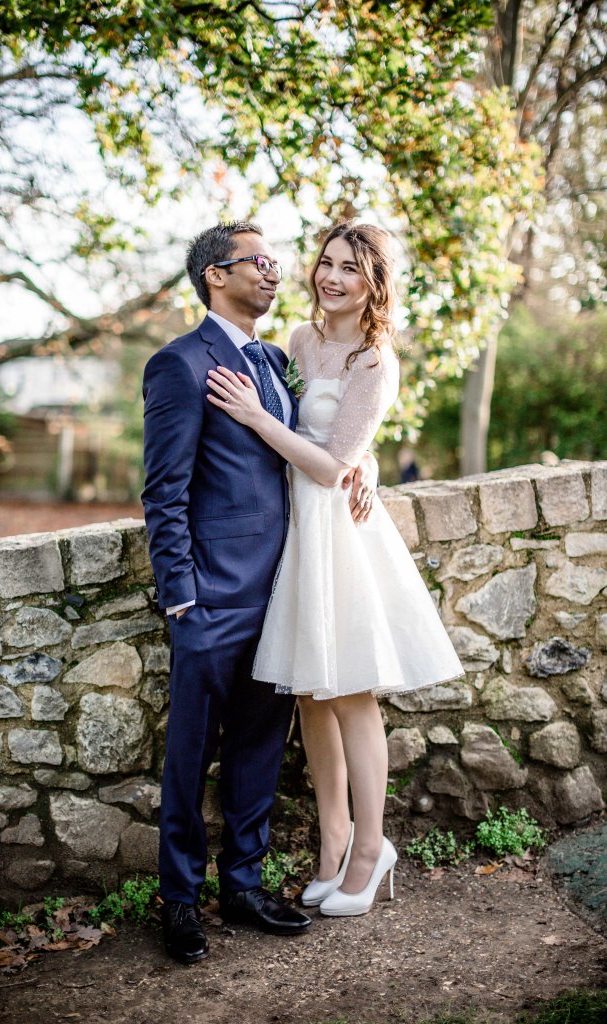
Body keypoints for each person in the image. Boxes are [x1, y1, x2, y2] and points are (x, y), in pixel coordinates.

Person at [206, 222, 464, 918]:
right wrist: (360, 458)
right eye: (326, 262)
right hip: (294, 527)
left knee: (349, 693)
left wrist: (264, 421)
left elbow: (329, 464)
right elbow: (321, 435)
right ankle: (334, 842)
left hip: (337, 533)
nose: (331, 277)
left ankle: (373, 848)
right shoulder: (299, 340)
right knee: (311, 696)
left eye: (349, 268)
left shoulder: (375, 361)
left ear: (373, 283)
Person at [141, 221, 379, 964]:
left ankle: (242, 887)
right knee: (190, 757)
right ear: (216, 275)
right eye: (260, 261)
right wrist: (181, 596)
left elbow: (321, 446)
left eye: (278, 262)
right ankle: (180, 900)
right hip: (210, 597)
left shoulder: (278, 359)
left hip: (284, 588)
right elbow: (164, 491)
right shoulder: (179, 364)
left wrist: (361, 467)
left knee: (257, 751)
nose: (277, 273)